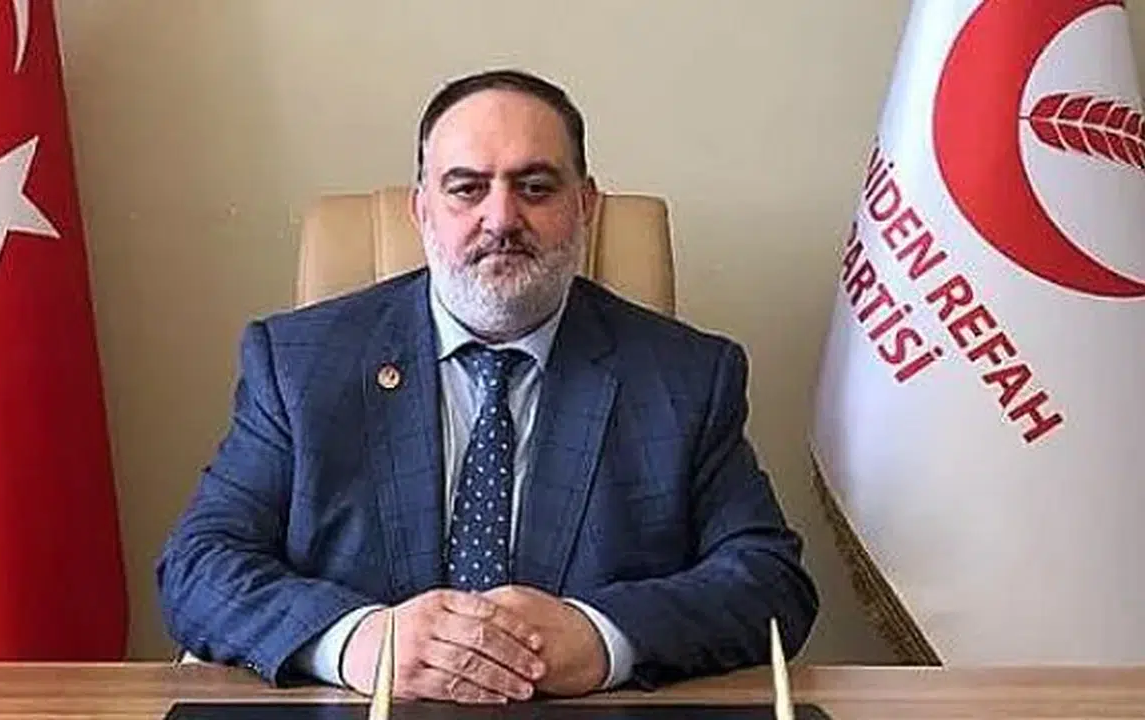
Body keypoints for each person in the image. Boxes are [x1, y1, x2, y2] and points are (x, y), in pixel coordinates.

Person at [155, 68, 818, 704]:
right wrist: (356, 640)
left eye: (535, 186)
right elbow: (198, 563)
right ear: (422, 210)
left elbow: (770, 581)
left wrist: (602, 636)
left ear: (584, 205)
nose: (501, 218)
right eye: (467, 188)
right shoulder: (298, 365)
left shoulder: (686, 377)